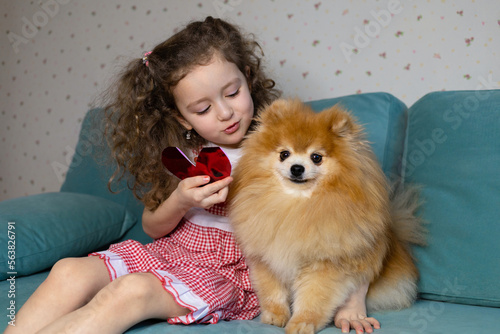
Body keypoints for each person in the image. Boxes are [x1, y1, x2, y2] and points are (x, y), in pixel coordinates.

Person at [5, 16, 379, 334]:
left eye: (232, 93)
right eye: (202, 108)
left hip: (230, 270)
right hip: (171, 251)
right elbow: (152, 227)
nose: (225, 113)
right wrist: (181, 199)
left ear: (248, 78)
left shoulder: (275, 150)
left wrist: (353, 300)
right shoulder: (185, 156)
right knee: (69, 269)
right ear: (182, 117)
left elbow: (351, 232)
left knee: (130, 291)